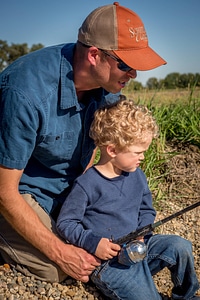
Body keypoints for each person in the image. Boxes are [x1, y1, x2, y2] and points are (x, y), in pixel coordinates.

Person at [0, 2, 167, 283]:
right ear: (94, 55)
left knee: (96, 247)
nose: (134, 74)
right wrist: (60, 251)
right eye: (126, 65)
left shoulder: (107, 90)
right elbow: (4, 191)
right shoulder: (26, 94)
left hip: (67, 190)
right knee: (61, 268)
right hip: (19, 193)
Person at [56, 99, 200, 300]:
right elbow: (66, 223)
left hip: (139, 249)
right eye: (138, 152)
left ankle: (186, 296)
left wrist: (141, 234)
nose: (142, 158)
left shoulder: (137, 175)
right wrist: (94, 243)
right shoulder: (86, 183)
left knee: (180, 246)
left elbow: (146, 210)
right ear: (112, 150)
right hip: (109, 264)